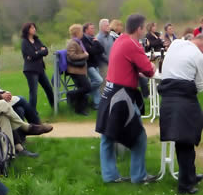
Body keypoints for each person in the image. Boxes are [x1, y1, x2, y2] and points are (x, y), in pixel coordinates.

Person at [95, 14, 156, 184]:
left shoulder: (120, 40)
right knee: (139, 136)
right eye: (143, 27)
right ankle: (139, 176)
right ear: (139, 28)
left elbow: (127, 65)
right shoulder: (133, 44)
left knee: (107, 135)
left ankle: (110, 176)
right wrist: (151, 65)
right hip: (122, 96)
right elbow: (149, 70)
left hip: (109, 91)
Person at [158, 34, 203, 195]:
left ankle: (190, 175)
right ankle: (185, 185)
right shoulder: (199, 57)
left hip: (167, 97)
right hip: (183, 98)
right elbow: (200, 86)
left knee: (184, 140)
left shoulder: (176, 43)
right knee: (185, 141)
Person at [0, 49, 42, 126]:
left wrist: (4, 93)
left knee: (19, 110)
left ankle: (22, 133)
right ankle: (37, 124)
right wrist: (2, 95)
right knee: (22, 99)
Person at [20, 22, 55, 112]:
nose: (34, 29)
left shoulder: (37, 40)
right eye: (32, 28)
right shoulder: (24, 42)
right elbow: (31, 54)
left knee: (48, 88)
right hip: (31, 70)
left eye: (34, 27)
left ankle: (55, 108)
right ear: (27, 30)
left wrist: (37, 52)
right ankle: (32, 113)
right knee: (34, 92)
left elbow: (46, 51)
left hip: (40, 69)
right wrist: (39, 52)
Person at [65, 24, 93, 116]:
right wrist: (84, 55)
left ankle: (80, 109)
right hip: (75, 70)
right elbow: (71, 56)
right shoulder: (72, 43)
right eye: (81, 31)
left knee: (83, 90)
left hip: (80, 70)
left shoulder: (78, 42)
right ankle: (71, 94)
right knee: (87, 88)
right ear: (76, 33)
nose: (82, 33)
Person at [82, 23, 105, 109]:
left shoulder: (93, 39)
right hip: (89, 65)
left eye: (94, 28)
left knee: (97, 85)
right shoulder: (83, 40)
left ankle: (97, 104)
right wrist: (95, 44)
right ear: (86, 30)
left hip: (95, 64)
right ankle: (84, 92)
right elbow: (91, 52)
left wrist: (96, 43)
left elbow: (101, 49)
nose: (94, 30)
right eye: (91, 28)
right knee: (99, 81)